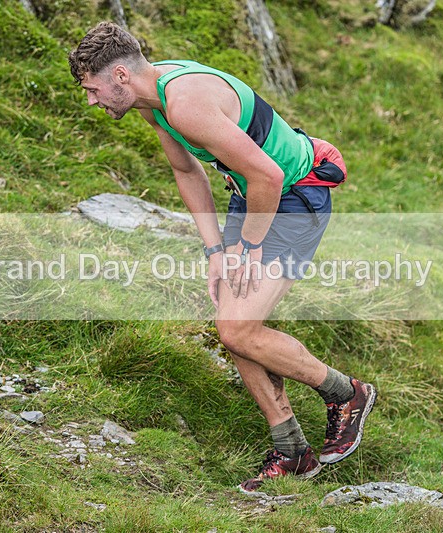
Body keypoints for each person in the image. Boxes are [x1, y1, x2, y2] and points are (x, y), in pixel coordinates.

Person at [68, 21, 377, 493]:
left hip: (293, 195)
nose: (91, 101)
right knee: (233, 324)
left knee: (237, 328)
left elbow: (270, 176)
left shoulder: (184, 103)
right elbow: (185, 169)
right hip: (252, 194)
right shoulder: (155, 102)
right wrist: (215, 251)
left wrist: (248, 248)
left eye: (93, 89)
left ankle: (345, 393)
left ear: (121, 76)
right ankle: (292, 450)